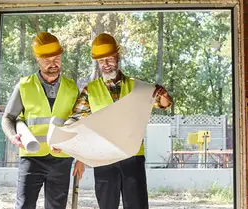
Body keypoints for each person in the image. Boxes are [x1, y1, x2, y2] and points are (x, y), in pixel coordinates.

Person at [69, 33, 173, 209]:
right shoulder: (90, 90)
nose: (106, 64)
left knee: (137, 205)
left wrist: (163, 96)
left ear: (117, 57)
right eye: (101, 61)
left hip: (132, 157)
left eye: (109, 59)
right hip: (104, 157)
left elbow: (164, 104)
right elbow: (76, 121)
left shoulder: (136, 86)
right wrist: (76, 153)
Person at [1, 32, 85, 209]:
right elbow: (8, 118)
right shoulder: (24, 85)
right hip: (32, 158)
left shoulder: (72, 88)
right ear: (38, 60)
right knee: (24, 205)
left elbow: (80, 124)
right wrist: (12, 136)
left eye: (57, 58)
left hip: (62, 157)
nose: (53, 63)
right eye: (47, 60)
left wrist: (81, 157)